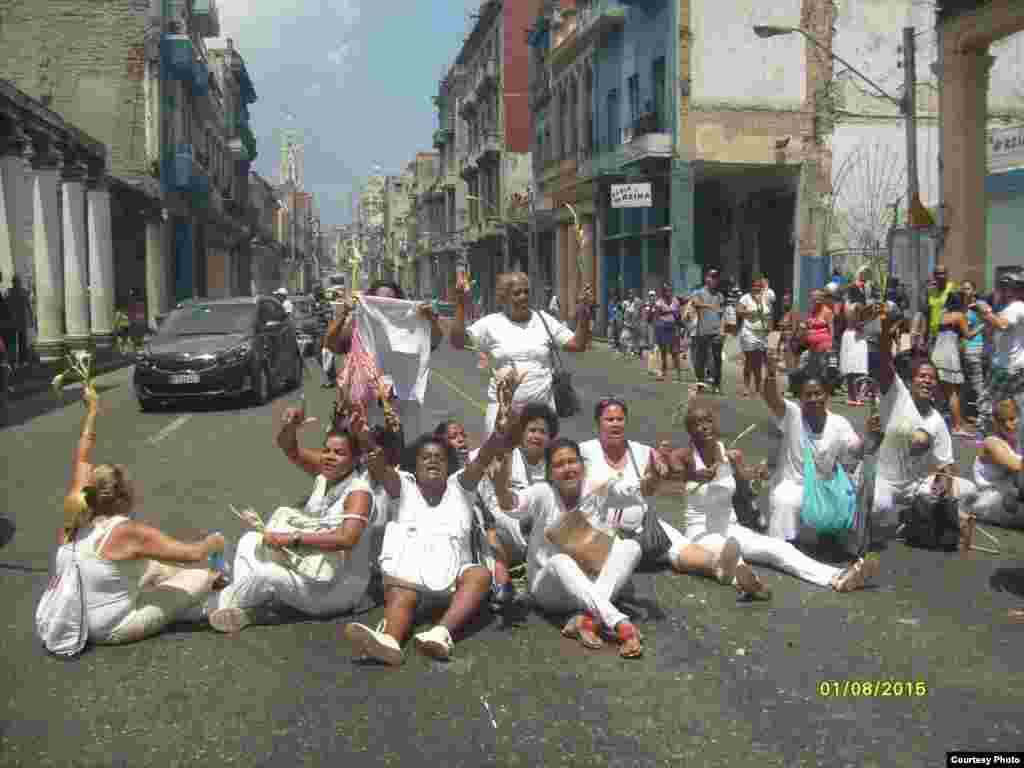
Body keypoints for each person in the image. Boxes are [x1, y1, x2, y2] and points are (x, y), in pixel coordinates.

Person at [341, 382, 519, 665]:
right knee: (401, 595)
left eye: (439, 457)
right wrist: (363, 437)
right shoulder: (403, 487)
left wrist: (500, 430)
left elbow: (485, 455)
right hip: (408, 578)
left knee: (479, 576)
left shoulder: (461, 486)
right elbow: (378, 465)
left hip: (452, 584)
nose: (433, 461)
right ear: (416, 463)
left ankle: (441, 633)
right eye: (426, 457)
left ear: (449, 465)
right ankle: (389, 641)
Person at [56, 386, 226, 644]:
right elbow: (193, 555)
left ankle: (180, 605)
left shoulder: (76, 508)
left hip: (71, 618)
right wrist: (215, 542)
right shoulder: (127, 532)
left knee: (157, 567)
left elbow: (82, 454)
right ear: (123, 499)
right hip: (109, 628)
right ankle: (210, 606)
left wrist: (92, 410)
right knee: (202, 578)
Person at [208, 400, 378, 633]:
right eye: (326, 450)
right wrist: (292, 425)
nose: (329, 457)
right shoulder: (325, 474)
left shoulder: (359, 492)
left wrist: (290, 539)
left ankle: (205, 605)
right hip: (306, 566)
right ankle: (250, 606)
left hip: (335, 587)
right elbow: (289, 447)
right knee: (250, 540)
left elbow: (347, 539)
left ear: (355, 459)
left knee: (265, 574)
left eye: (339, 453)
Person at [671, 403, 879, 592]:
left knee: (778, 548)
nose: (704, 426)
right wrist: (693, 476)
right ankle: (750, 584)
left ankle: (836, 577)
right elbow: (671, 479)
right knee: (731, 556)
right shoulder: (683, 456)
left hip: (730, 526)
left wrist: (758, 473)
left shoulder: (727, 452)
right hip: (701, 532)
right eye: (697, 424)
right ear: (689, 430)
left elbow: (745, 477)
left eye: (708, 420)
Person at [577, 398, 763, 595]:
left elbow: (658, 485)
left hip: (643, 524)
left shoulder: (641, 451)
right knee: (620, 558)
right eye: (609, 419)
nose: (615, 424)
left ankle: (723, 569)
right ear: (598, 423)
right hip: (602, 529)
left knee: (680, 545)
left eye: (620, 419)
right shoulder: (585, 451)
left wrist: (660, 470)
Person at [495, 436, 652, 658]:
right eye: (559, 465)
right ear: (549, 473)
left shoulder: (597, 486)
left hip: (590, 583)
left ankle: (587, 620)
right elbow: (511, 505)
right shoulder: (542, 492)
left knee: (631, 547)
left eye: (572, 461)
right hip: (550, 590)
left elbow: (636, 491)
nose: (567, 469)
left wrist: (654, 477)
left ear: (582, 465)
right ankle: (619, 623)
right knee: (560, 561)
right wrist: (500, 482)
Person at [868, 306, 974, 539]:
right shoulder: (896, 395)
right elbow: (883, 362)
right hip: (883, 479)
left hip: (914, 485)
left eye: (932, 378)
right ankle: (884, 516)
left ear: (937, 386)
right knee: (879, 505)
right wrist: (885, 331)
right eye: (922, 376)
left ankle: (913, 516)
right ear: (911, 381)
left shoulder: (937, 420)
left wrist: (943, 486)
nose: (927, 381)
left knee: (967, 489)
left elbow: (946, 465)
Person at [449, 271, 593, 434]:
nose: (523, 296)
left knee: (541, 459)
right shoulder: (491, 324)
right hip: (502, 413)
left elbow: (577, 344)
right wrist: (460, 302)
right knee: (500, 457)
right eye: (517, 293)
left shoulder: (543, 319)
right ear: (504, 298)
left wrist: (584, 311)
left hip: (542, 415)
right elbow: (458, 342)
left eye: (526, 291)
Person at [761, 360, 864, 545]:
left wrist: (871, 439)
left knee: (847, 499)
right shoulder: (792, 414)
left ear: (827, 395)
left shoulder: (839, 423)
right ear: (800, 398)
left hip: (825, 487)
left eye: (818, 393)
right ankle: (780, 546)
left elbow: (854, 450)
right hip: (793, 485)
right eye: (808, 395)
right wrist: (770, 375)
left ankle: (829, 534)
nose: (814, 399)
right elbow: (771, 398)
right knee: (785, 500)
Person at [324, 280, 444, 439]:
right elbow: (332, 345)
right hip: (363, 408)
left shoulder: (409, 325)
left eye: (390, 302)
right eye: (379, 302)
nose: (384, 306)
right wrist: (344, 312)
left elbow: (434, 342)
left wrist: (430, 320)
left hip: (399, 411)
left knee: (398, 453)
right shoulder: (359, 323)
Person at [475, 403, 558, 604]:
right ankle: (502, 585)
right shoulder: (506, 454)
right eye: (532, 430)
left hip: (537, 532)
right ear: (521, 433)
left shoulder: (554, 464)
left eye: (543, 432)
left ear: (550, 437)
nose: (536, 436)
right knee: (492, 534)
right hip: (502, 524)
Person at [974, 271, 1024, 442]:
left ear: (1011, 289)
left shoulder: (1015, 307)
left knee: (987, 401)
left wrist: (985, 311)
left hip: (1005, 366)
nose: (1000, 291)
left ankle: (986, 438)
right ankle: (1008, 436)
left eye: (1003, 287)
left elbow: (1002, 325)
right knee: (1012, 404)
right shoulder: (1016, 307)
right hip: (1015, 365)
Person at [931, 291, 982, 438]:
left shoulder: (943, 315)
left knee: (942, 392)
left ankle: (941, 422)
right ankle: (957, 426)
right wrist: (983, 325)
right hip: (949, 356)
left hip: (937, 354)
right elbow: (968, 336)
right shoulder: (959, 316)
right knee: (953, 394)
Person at [971, 398, 1024, 528]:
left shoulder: (1016, 443)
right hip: (989, 500)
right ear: (995, 422)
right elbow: (1016, 465)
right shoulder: (992, 443)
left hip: (1011, 496)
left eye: (1012, 419)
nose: (1008, 424)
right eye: (1002, 420)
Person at [961, 280, 989, 431]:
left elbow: (989, 321)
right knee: (965, 384)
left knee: (978, 383)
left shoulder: (980, 305)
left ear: (974, 290)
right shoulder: (961, 307)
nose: (965, 291)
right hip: (962, 349)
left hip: (975, 348)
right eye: (963, 288)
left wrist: (979, 327)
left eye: (968, 288)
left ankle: (983, 416)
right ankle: (963, 413)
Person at [736, 277, 771, 398]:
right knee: (750, 360)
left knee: (758, 361)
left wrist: (769, 328)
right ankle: (746, 386)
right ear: (751, 287)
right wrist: (751, 313)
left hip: (762, 333)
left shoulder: (766, 298)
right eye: (754, 286)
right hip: (749, 332)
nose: (756, 288)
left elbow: (769, 315)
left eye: (759, 286)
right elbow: (739, 311)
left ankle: (758, 387)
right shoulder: (745, 298)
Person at [691, 269, 725, 393]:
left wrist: (722, 331)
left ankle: (717, 384)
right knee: (700, 359)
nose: (714, 280)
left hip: (716, 331)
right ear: (706, 278)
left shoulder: (719, 296)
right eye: (712, 277)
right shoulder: (698, 292)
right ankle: (700, 382)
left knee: (717, 359)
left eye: (716, 277)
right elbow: (695, 303)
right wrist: (709, 306)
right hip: (702, 331)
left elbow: (722, 314)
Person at [839, 281, 869, 406]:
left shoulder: (846, 304)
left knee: (853, 368)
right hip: (855, 336)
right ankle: (857, 396)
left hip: (850, 335)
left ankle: (854, 396)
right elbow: (859, 322)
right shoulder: (856, 306)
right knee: (856, 368)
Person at [649, 283, 681, 383]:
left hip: (672, 327)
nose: (668, 292)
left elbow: (678, 315)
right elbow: (657, 316)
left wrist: (680, 324)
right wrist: (669, 313)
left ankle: (678, 373)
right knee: (663, 351)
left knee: (674, 351)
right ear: (663, 292)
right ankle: (663, 371)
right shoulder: (659, 302)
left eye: (670, 290)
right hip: (662, 328)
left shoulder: (675, 301)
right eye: (666, 291)